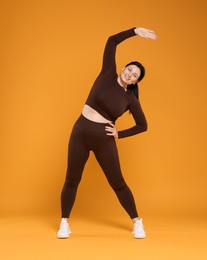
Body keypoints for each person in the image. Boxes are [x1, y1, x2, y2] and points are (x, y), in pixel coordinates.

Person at [57, 27, 157, 239]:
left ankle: (137, 222)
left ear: (135, 82)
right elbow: (112, 41)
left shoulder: (131, 99)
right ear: (124, 68)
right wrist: (135, 31)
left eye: (134, 75)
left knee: (118, 183)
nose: (129, 73)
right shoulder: (107, 73)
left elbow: (143, 125)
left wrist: (119, 134)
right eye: (129, 69)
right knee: (71, 179)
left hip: (104, 140)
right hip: (80, 132)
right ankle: (64, 222)